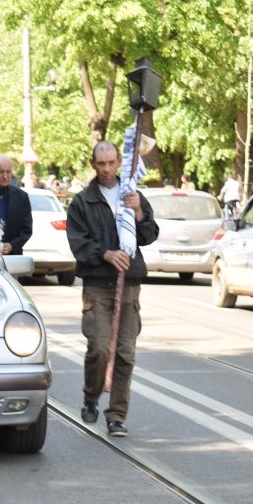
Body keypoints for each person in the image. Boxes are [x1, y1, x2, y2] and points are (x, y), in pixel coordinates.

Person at [66, 140, 158, 438]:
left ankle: (116, 415)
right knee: (100, 348)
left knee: (125, 353)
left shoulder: (132, 194)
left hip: (128, 284)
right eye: (100, 164)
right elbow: (78, 243)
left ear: (119, 162)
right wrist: (105, 254)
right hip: (96, 285)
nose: (106, 169)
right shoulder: (82, 201)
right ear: (93, 165)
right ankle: (91, 394)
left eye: (111, 163)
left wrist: (139, 213)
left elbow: (149, 235)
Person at [0, 154, 33, 255]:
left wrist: (12, 245)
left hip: (13, 257)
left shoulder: (21, 197)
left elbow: (27, 229)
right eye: (0, 172)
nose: (5, 176)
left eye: (8, 172)